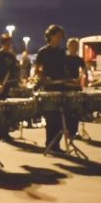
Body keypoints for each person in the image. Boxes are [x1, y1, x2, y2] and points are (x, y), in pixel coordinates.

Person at [35, 25, 68, 153]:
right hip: (49, 87)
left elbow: (64, 69)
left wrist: (69, 80)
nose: (60, 39)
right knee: (51, 118)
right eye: (58, 36)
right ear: (51, 36)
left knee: (61, 117)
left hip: (61, 86)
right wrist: (44, 79)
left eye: (61, 37)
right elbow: (37, 70)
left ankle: (57, 144)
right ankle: (50, 144)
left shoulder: (61, 52)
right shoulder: (43, 51)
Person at [0, 33, 20, 142]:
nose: (8, 45)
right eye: (6, 43)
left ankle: (5, 132)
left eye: (9, 43)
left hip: (10, 86)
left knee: (8, 110)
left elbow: (15, 71)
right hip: (0, 86)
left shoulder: (12, 56)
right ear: (2, 43)